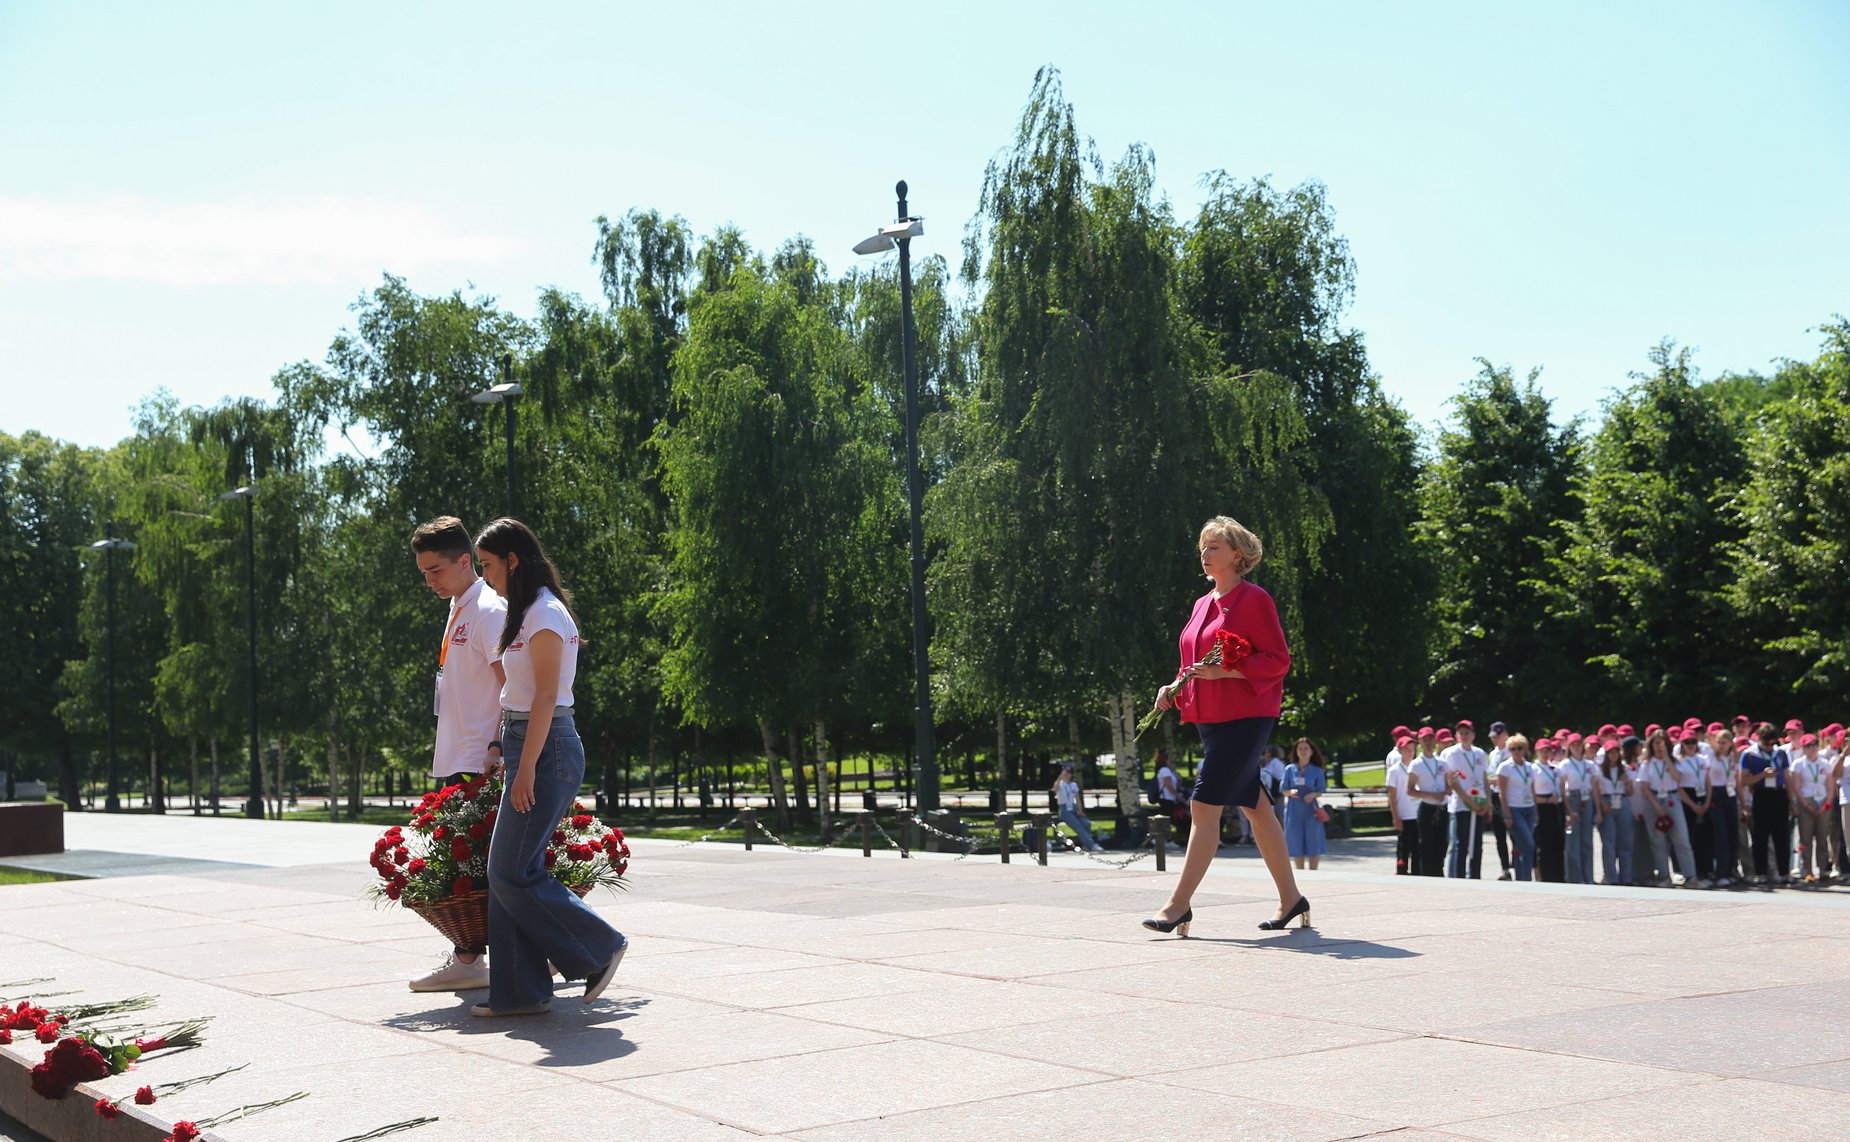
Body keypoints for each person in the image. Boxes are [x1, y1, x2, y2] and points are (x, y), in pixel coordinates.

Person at [471, 518, 627, 1017]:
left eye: (488, 564)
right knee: (509, 870)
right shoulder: (524, 614)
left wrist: (524, 769)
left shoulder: (545, 614)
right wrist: (508, 752)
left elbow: (544, 698)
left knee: (510, 870)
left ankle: (599, 947)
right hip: (527, 743)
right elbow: (519, 696)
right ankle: (519, 992)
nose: (485, 575)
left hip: (548, 748)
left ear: (513, 560)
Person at [1143, 516, 1307, 937]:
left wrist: (1229, 672)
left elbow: (1278, 660)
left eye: (1213, 546)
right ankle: (1291, 899)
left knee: (1203, 804)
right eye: (1203, 546)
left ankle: (1178, 905)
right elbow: (1193, 660)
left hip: (1247, 716)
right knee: (1256, 807)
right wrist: (1173, 686)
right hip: (1211, 718)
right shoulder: (1202, 603)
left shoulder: (1255, 599)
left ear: (1237, 554)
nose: (1205, 553)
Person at [407, 516, 507, 993]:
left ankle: (474, 959)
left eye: (436, 570)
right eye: (424, 572)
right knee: (471, 867)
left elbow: (512, 685)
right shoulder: (458, 607)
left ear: (465, 561)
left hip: (480, 760)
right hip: (458, 756)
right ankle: (472, 959)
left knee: (481, 868)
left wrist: (499, 746)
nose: (430, 581)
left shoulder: (488, 610)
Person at [1739, 723, 1791, 887]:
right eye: (1766, 743)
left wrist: (1791, 799)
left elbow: (1787, 776)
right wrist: (1762, 775)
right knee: (1760, 836)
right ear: (1759, 739)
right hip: (1761, 794)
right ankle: (1760, 873)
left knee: (1781, 836)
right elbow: (1743, 780)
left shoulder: (1780, 753)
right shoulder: (1749, 754)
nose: (1769, 746)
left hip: (1779, 794)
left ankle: (1784, 872)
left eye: (1771, 743)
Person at [1442, 720, 1490, 879]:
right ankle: (1458, 877)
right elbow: (1452, 780)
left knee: (1476, 844)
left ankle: (1475, 876)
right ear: (1457, 735)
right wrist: (1469, 802)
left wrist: (1487, 802)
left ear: (1473, 735)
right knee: (1460, 843)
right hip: (1461, 805)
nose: (1464, 736)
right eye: (1461, 733)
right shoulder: (1452, 753)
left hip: (1479, 803)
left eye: (1467, 733)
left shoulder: (1479, 753)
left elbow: (1484, 778)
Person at [1405, 731, 1449, 876]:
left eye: (1430, 739)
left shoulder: (1442, 762)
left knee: (1442, 844)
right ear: (1420, 742)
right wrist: (1431, 795)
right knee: (1426, 845)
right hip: (1427, 808)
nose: (1428, 743)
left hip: (1441, 808)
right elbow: (1410, 790)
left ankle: (1439, 872)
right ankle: (1427, 875)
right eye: (1425, 740)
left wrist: (1447, 790)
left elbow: (1449, 785)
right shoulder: (1416, 764)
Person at [1791, 734, 1833, 884]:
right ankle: (1807, 870)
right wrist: (1805, 804)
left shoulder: (1825, 763)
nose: (1813, 748)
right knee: (1806, 838)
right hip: (1806, 800)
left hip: (1822, 801)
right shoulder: (1798, 764)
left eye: (1815, 745)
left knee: (1822, 837)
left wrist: (1826, 804)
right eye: (1809, 746)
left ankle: (1822, 870)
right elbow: (1796, 787)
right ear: (1803, 748)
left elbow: (1830, 786)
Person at [1674, 729, 1714, 885]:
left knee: (1704, 836)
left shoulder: (1702, 760)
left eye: (1693, 742)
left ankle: (1705, 870)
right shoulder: (1679, 761)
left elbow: (1708, 781)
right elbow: (1678, 786)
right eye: (1687, 742)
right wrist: (1692, 805)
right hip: (1687, 798)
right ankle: (1689, 871)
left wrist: (1707, 801)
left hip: (1702, 796)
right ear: (1682, 745)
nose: (1690, 745)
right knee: (1688, 836)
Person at [1282, 737, 1328, 871]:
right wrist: (1291, 792)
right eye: (1300, 748)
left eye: (1306, 748)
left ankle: (1313, 873)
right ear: (1296, 751)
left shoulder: (1317, 770)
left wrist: (1313, 795)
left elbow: (1321, 790)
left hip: (1311, 810)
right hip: (1294, 811)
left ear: (1311, 751)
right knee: (1295, 842)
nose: (1303, 751)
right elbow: (1283, 789)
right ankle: (1300, 873)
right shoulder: (1290, 769)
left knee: (1314, 842)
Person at [1558, 733, 1598, 884]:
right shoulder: (1565, 764)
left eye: (1579, 744)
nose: (1576, 747)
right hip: (1573, 798)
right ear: (1569, 746)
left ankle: (1588, 877)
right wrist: (1569, 809)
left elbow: (1594, 786)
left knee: (1587, 840)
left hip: (1587, 799)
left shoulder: (1589, 765)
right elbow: (1562, 789)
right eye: (1573, 744)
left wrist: (1598, 810)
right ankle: (1575, 878)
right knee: (1573, 841)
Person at [1594, 739, 1633, 885]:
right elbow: (1596, 790)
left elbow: (1631, 792)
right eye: (1610, 752)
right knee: (1609, 842)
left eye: (1616, 752)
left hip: (1622, 801)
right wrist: (1601, 805)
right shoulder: (1599, 770)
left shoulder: (1625, 769)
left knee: (1625, 842)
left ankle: (1626, 877)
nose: (1613, 755)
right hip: (1607, 801)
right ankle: (1611, 877)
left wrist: (1627, 781)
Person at [1706, 728, 1739, 887]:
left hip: (1730, 794)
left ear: (1730, 744)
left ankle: (1730, 870)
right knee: (1721, 834)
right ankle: (1720, 872)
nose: (1720, 745)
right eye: (1718, 742)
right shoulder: (1711, 757)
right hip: (1716, 794)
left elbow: (1736, 778)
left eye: (1723, 742)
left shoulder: (1733, 757)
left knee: (1733, 833)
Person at [1532, 737, 1565, 882]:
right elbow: (1531, 792)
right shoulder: (1533, 768)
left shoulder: (1555, 768)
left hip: (1555, 804)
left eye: (1548, 750)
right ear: (1537, 752)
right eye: (1542, 751)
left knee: (1558, 842)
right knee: (1544, 844)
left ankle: (1559, 875)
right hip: (1542, 805)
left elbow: (1561, 788)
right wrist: (1545, 800)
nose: (1545, 754)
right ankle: (1546, 876)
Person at [1484, 721, 1515, 880]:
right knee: (1499, 835)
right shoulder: (1493, 754)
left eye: (1498, 736)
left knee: (1514, 834)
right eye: (1493, 737)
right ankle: (1505, 868)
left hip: (1509, 796)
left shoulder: (1511, 752)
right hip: (1496, 795)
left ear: (1505, 735)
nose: (1494, 739)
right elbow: (1490, 774)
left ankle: (1517, 863)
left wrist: (1494, 780)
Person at [1385, 735, 1420, 875]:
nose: (1411, 752)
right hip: (1404, 814)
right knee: (1404, 845)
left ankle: (1417, 871)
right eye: (1407, 749)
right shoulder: (1394, 770)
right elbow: (1392, 796)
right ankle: (1402, 870)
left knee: (1417, 846)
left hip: (1417, 812)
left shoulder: (1417, 766)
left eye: (1413, 749)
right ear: (1400, 750)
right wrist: (1396, 817)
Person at [1054, 763, 1103, 852]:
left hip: (1073, 808)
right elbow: (1055, 789)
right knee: (1079, 827)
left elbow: (1077, 799)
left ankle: (1086, 845)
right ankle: (1092, 845)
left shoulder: (1073, 785)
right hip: (1064, 810)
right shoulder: (1060, 784)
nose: (1067, 775)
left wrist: (1080, 810)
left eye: (1069, 773)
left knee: (1086, 823)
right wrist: (1060, 777)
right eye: (1066, 773)